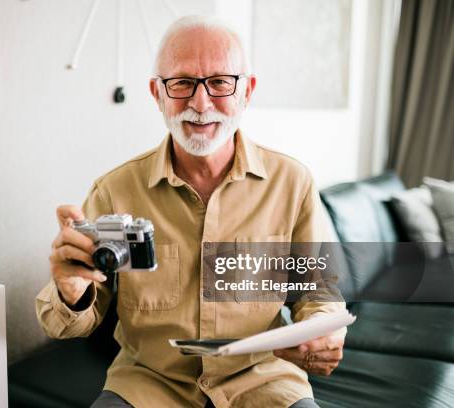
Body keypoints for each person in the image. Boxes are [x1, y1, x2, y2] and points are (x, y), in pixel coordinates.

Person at [36, 15, 346, 408]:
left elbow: (319, 291)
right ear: (157, 93)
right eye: (182, 82)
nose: (200, 104)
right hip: (148, 383)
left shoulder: (293, 183)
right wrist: (72, 292)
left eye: (220, 82)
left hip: (263, 381)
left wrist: (322, 330)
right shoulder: (114, 191)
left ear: (246, 91)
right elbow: (71, 321)